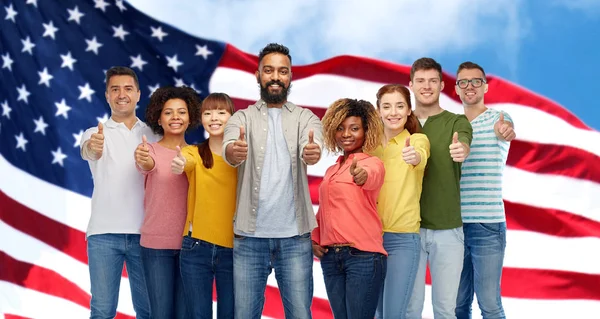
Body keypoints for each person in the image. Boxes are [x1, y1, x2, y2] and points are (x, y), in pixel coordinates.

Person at [222, 43, 323, 319]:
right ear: (258, 75)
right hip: (249, 239)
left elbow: (312, 145)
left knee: (300, 314)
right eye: (269, 70)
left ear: (290, 77)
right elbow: (229, 148)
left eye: (282, 71)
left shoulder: (306, 118)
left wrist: (311, 152)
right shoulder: (240, 118)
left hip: (295, 239)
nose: (275, 76)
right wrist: (234, 150)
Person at [80, 66, 155, 319]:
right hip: (103, 234)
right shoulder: (93, 133)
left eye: (127, 89)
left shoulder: (154, 134)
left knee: (149, 310)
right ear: (107, 96)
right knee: (102, 310)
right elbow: (91, 151)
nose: (121, 94)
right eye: (115, 89)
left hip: (146, 236)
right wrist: (94, 147)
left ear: (138, 94)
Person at [405, 58, 473, 319]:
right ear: (411, 85)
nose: (426, 86)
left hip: (448, 230)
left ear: (442, 85)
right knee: (410, 308)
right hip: (407, 231)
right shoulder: (399, 121)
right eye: (420, 81)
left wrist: (462, 150)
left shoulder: (457, 122)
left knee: (445, 310)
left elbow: (464, 141)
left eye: (433, 81)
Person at [311, 98, 387, 319]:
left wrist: (361, 176)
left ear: (366, 131)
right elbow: (324, 211)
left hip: (362, 257)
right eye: (341, 128)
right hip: (331, 259)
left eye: (354, 128)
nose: (346, 134)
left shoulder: (372, 164)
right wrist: (315, 239)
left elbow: (371, 177)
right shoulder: (331, 170)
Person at [454, 62, 515, 319]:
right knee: (457, 305)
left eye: (476, 81)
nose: (470, 86)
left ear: (485, 87)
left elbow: (506, 131)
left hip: (488, 225)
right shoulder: (451, 124)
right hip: (453, 226)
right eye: (464, 82)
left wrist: (505, 131)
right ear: (456, 89)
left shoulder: (498, 118)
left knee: (489, 304)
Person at [134, 86, 201, 318]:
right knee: (161, 314)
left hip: (191, 248)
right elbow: (147, 165)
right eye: (168, 112)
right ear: (159, 119)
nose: (175, 117)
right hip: (155, 247)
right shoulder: (148, 150)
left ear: (190, 117)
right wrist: (144, 161)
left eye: (181, 112)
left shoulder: (199, 154)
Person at [171, 92, 237, 319]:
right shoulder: (194, 153)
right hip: (196, 248)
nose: (214, 117)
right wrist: (179, 163)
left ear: (233, 117)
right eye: (208, 113)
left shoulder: (242, 159)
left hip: (235, 250)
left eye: (221, 112)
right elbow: (185, 161)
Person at [371, 84, 430, 319]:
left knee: (393, 314)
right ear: (378, 111)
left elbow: (420, 157)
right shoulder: (369, 146)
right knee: (375, 313)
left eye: (399, 106)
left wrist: (414, 157)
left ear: (408, 111)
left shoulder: (417, 141)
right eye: (386, 106)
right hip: (369, 239)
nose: (393, 112)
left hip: (402, 240)